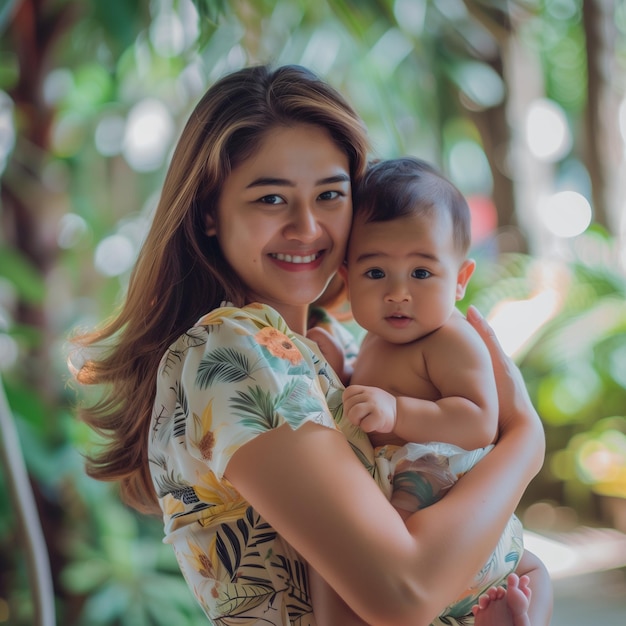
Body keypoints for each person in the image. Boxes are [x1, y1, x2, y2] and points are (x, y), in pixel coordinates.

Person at [69, 64, 546, 626]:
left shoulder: (342, 349)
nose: (307, 226)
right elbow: (405, 593)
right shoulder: (235, 351)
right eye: (271, 199)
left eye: (329, 194)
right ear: (208, 215)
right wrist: (524, 443)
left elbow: (496, 560)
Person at [309, 157, 551, 626]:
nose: (398, 292)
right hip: (408, 508)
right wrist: (340, 368)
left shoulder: (451, 339)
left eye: (421, 273)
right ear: (346, 278)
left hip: (438, 498)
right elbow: (365, 395)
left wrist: (397, 412)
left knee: (531, 569)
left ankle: (523, 613)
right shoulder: (374, 339)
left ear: (460, 279)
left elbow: (477, 420)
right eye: (376, 273)